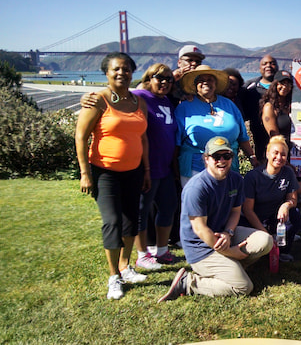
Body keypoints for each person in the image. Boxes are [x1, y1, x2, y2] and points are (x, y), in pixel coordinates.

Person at [158, 136, 274, 301]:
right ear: (206, 159)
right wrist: (229, 251)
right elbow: (200, 229)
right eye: (216, 156)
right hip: (201, 247)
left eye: (226, 156)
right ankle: (188, 282)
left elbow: (235, 211)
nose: (221, 161)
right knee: (244, 287)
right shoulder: (196, 188)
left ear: (232, 157)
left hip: (223, 235)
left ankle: (234, 267)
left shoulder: (235, 180)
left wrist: (229, 232)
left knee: (265, 240)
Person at [75, 52, 150, 300]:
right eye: (116, 69)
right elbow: (81, 136)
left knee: (131, 220)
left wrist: (146, 170)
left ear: (132, 73)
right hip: (105, 172)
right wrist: (85, 173)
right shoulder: (97, 100)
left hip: (134, 171)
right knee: (112, 222)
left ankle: (125, 266)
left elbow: (143, 138)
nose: (122, 73)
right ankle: (113, 277)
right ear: (106, 73)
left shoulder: (139, 102)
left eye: (127, 69)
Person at [131, 64, 181, 269]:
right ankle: (142, 254)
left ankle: (162, 251)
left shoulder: (166, 100)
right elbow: (115, 97)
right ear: (148, 78)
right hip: (145, 168)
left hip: (165, 167)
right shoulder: (138, 96)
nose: (165, 82)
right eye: (159, 78)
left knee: (169, 207)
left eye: (169, 79)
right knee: (141, 212)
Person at [175, 65, 258, 187]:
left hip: (228, 167)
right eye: (201, 80)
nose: (205, 83)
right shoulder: (184, 108)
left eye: (210, 79)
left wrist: (252, 158)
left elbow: (242, 137)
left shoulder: (229, 105)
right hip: (195, 169)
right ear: (195, 84)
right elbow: (176, 143)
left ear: (215, 83)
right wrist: (174, 169)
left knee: (228, 204)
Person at [240, 136, 301, 262]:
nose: (279, 158)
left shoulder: (288, 173)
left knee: (294, 216)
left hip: (273, 216)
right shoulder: (253, 177)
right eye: (276, 153)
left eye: (283, 155)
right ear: (267, 154)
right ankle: (263, 246)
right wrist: (264, 234)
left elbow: (293, 199)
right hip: (251, 219)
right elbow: (248, 210)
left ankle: (282, 251)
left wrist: (286, 205)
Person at [243, 55, 279, 159]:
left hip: (284, 137)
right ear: (260, 68)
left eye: (272, 63)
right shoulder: (249, 88)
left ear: (277, 67)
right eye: (264, 64)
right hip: (260, 140)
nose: (268, 66)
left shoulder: (284, 87)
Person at [259, 70, 295, 160]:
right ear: (275, 84)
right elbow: (275, 137)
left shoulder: (292, 105)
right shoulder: (269, 107)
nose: (285, 87)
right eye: (282, 83)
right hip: (278, 156)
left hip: (295, 154)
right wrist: (284, 160)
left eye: (288, 84)